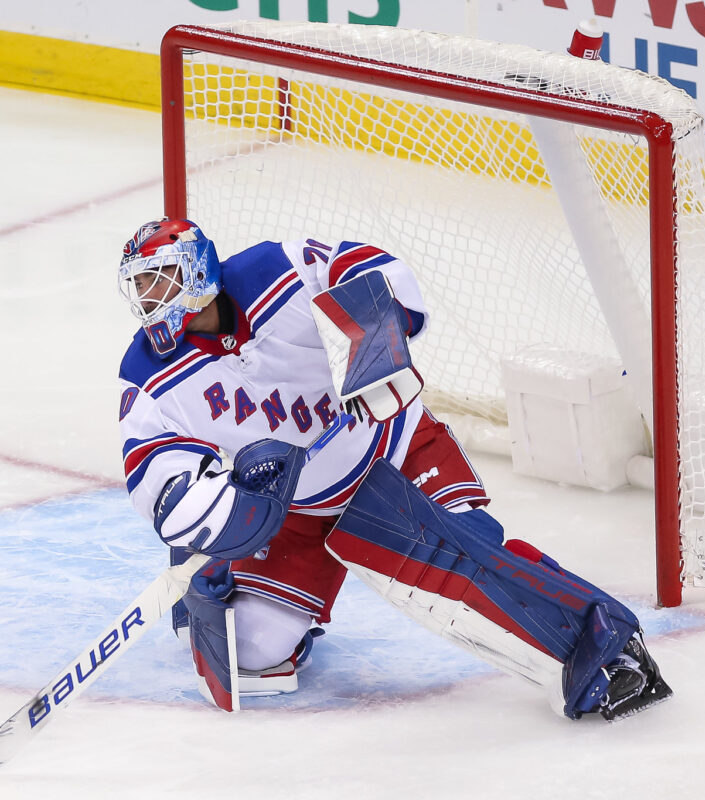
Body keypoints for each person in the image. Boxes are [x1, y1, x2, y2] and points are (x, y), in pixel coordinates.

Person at [115, 217, 671, 720]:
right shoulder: (146, 375)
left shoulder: (272, 269)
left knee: (468, 550)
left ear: (197, 270)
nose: (148, 298)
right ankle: (238, 580)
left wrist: (375, 335)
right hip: (299, 509)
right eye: (138, 287)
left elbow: (367, 267)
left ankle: (604, 647)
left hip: (395, 447)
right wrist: (212, 512)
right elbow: (154, 471)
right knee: (250, 650)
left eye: (158, 279)